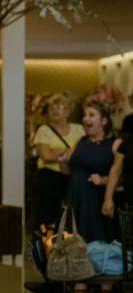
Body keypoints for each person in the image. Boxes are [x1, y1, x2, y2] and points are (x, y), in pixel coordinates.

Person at [64, 100, 122, 293]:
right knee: (78, 245)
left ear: (104, 121)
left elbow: (122, 177)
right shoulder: (80, 141)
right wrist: (62, 161)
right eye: (85, 115)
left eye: (92, 115)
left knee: (102, 245)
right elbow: (69, 170)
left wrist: (104, 182)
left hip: (98, 202)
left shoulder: (114, 144)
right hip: (77, 200)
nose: (86, 119)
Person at [33, 95, 84, 229]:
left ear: (67, 112)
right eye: (52, 108)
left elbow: (81, 153)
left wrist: (57, 151)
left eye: (59, 107)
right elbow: (46, 155)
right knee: (49, 216)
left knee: (71, 215)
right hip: (49, 178)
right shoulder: (44, 130)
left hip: (72, 176)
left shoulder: (79, 129)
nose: (55, 110)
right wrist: (69, 151)